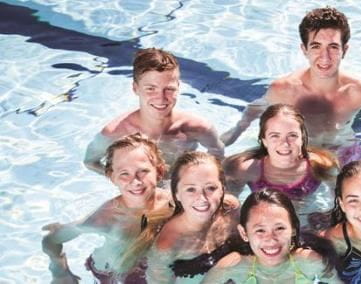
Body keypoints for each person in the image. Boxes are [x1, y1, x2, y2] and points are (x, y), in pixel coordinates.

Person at [220, 6, 361, 166]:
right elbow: (257, 107)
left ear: (344, 50)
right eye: (316, 46)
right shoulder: (285, 90)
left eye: (333, 47)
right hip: (299, 154)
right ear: (304, 49)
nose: (325, 57)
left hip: (343, 150)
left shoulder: (359, 92)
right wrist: (237, 130)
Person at [41, 133, 172, 283]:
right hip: (113, 273)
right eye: (124, 174)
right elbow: (50, 241)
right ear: (112, 177)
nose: (135, 181)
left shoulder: (174, 202)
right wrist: (59, 272)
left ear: (159, 172)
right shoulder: (106, 218)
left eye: (142, 171)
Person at [84, 48, 224, 174]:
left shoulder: (197, 127)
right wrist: (125, 181)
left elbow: (217, 151)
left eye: (169, 89)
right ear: (135, 89)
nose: (161, 98)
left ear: (178, 87)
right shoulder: (116, 132)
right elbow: (90, 162)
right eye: (151, 89)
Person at [224, 104, 338, 223]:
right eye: (275, 136)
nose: (285, 144)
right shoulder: (246, 169)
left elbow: (339, 195)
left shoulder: (319, 166)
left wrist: (328, 214)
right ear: (264, 141)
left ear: (303, 138)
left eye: (292, 136)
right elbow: (229, 203)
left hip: (302, 214)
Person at [202, 189, 340, 283]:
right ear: (244, 233)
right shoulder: (234, 266)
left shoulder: (308, 262)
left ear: (292, 229)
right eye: (260, 231)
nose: (270, 239)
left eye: (279, 228)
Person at [144, 151, 239, 283]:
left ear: (222, 189)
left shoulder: (230, 209)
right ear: (177, 194)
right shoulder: (167, 244)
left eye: (210, 188)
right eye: (191, 189)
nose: (202, 198)